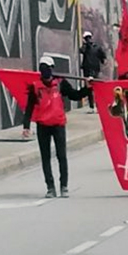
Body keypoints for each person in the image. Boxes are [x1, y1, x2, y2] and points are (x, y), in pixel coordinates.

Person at [22, 56, 93, 198]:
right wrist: (26, 126)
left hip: (58, 124)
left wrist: (88, 88)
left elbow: (75, 95)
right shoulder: (35, 86)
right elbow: (29, 107)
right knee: (45, 157)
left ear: (52, 69)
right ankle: (50, 187)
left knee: (62, 156)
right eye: (42, 68)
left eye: (47, 68)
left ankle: (64, 186)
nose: (45, 71)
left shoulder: (61, 83)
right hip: (42, 125)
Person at [79, 31, 106, 113]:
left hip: (92, 70)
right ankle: (93, 107)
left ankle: (96, 106)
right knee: (90, 89)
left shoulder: (97, 47)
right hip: (89, 70)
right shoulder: (87, 48)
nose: (88, 40)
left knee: (93, 88)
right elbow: (81, 50)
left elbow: (103, 58)